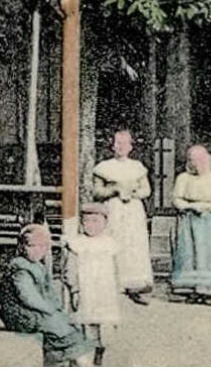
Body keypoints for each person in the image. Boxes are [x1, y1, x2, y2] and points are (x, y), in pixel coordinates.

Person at [0, 223, 94, 367]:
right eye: (32, 246)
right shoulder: (20, 268)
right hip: (19, 314)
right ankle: (71, 363)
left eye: (42, 246)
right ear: (22, 247)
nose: (38, 251)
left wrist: (56, 307)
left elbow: (49, 293)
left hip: (34, 312)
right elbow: (28, 297)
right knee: (59, 327)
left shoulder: (38, 266)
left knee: (67, 325)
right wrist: (50, 310)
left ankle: (63, 362)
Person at [90, 129, 153, 304]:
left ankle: (133, 284)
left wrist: (133, 192)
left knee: (133, 244)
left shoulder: (137, 167)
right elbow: (97, 191)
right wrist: (114, 189)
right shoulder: (105, 167)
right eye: (117, 143)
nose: (121, 147)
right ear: (112, 145)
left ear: (131, 146)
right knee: (115, 240)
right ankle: (112, 283)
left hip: (133, 209)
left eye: (124, 143)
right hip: (114, 207)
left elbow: (146, 190)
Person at [168, 144, 211, 303]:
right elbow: (176, 199)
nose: (196, 164)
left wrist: (205, 207)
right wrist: (190, 206)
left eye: (200, 160)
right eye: (192, 160)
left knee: (207, 254)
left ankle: (209, 290)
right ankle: (187, 289)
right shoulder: (183, 178)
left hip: (208, 222)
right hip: (188, 220)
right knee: (188, 253)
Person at [64, 203, 120, 366]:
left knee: (103, 324)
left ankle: (99, 353)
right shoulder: (78, 244)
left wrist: (116, 288)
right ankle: (79, 356)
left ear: (105, 223)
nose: (91, 225)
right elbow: (71, 269)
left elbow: (115, 268)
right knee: (83, 322)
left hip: (104, 291)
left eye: (96, 221)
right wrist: (74, 289)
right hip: (85, 290)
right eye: (87, 221)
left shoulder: (109, 244)